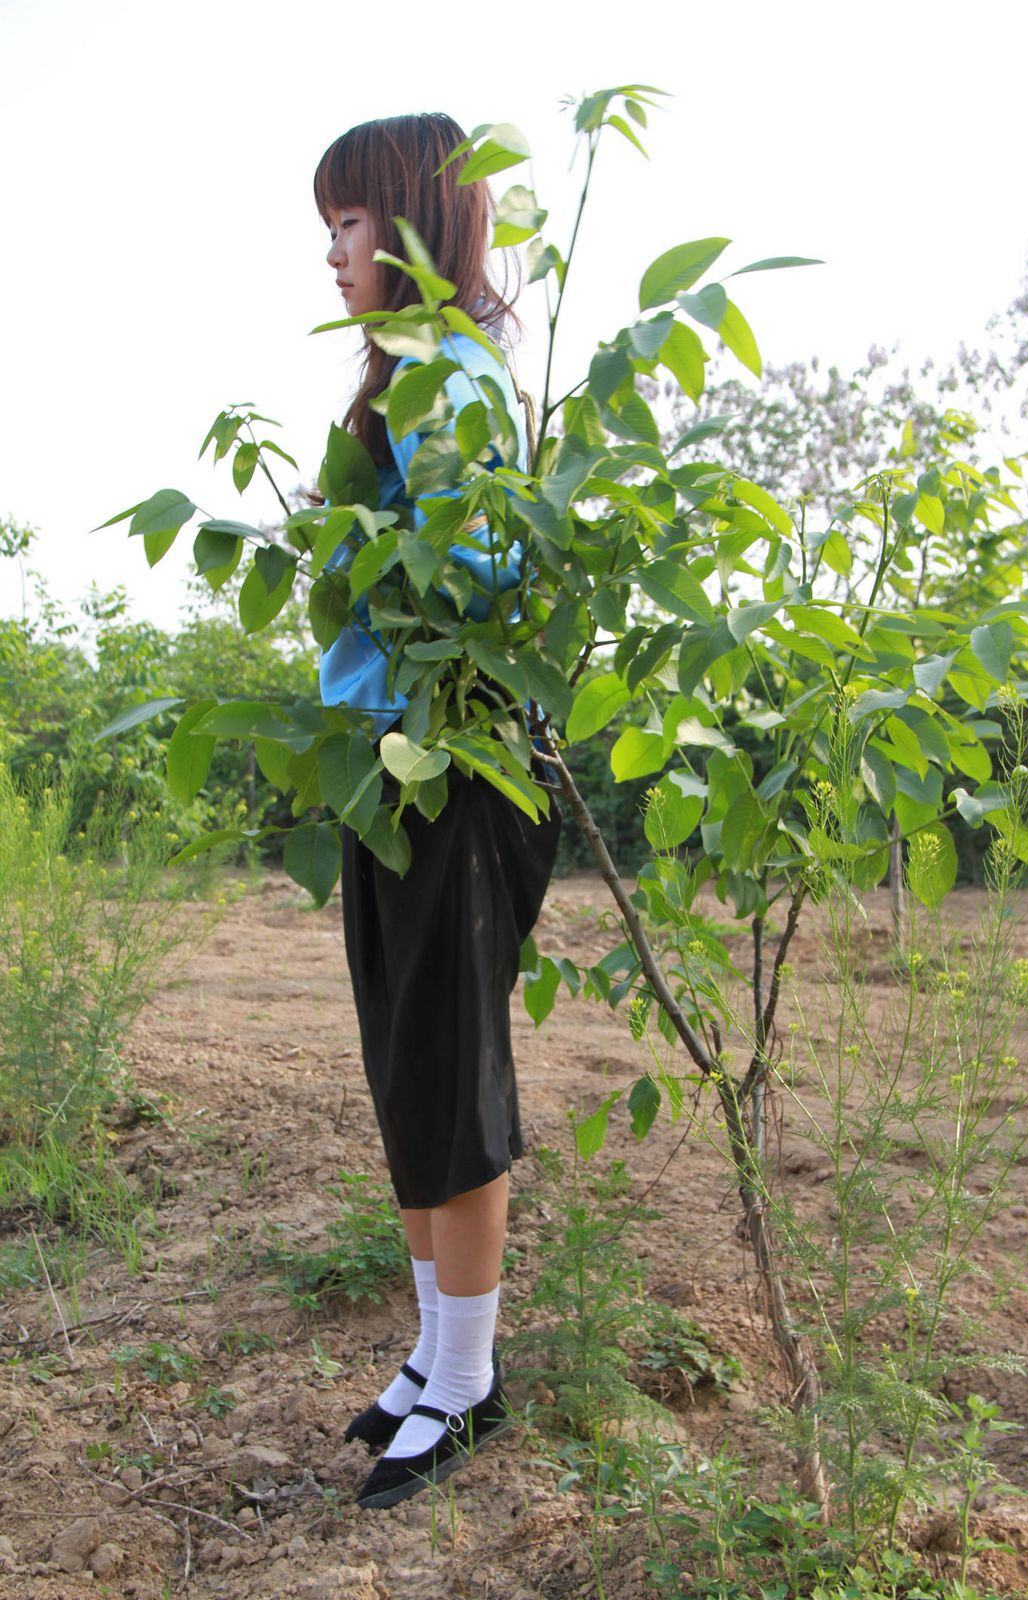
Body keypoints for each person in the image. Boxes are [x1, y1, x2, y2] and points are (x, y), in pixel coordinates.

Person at [313, 112, 563, 1511]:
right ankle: (435, 1353)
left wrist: (366, 547)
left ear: (411, 219)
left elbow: (470, 578)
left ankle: (468, 1385)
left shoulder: (442, 367)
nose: (333, 253)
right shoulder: (406, 372)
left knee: (449, 1071)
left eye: (351, 222)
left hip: (450, 766)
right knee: (405, 1064)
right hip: (387, 765)